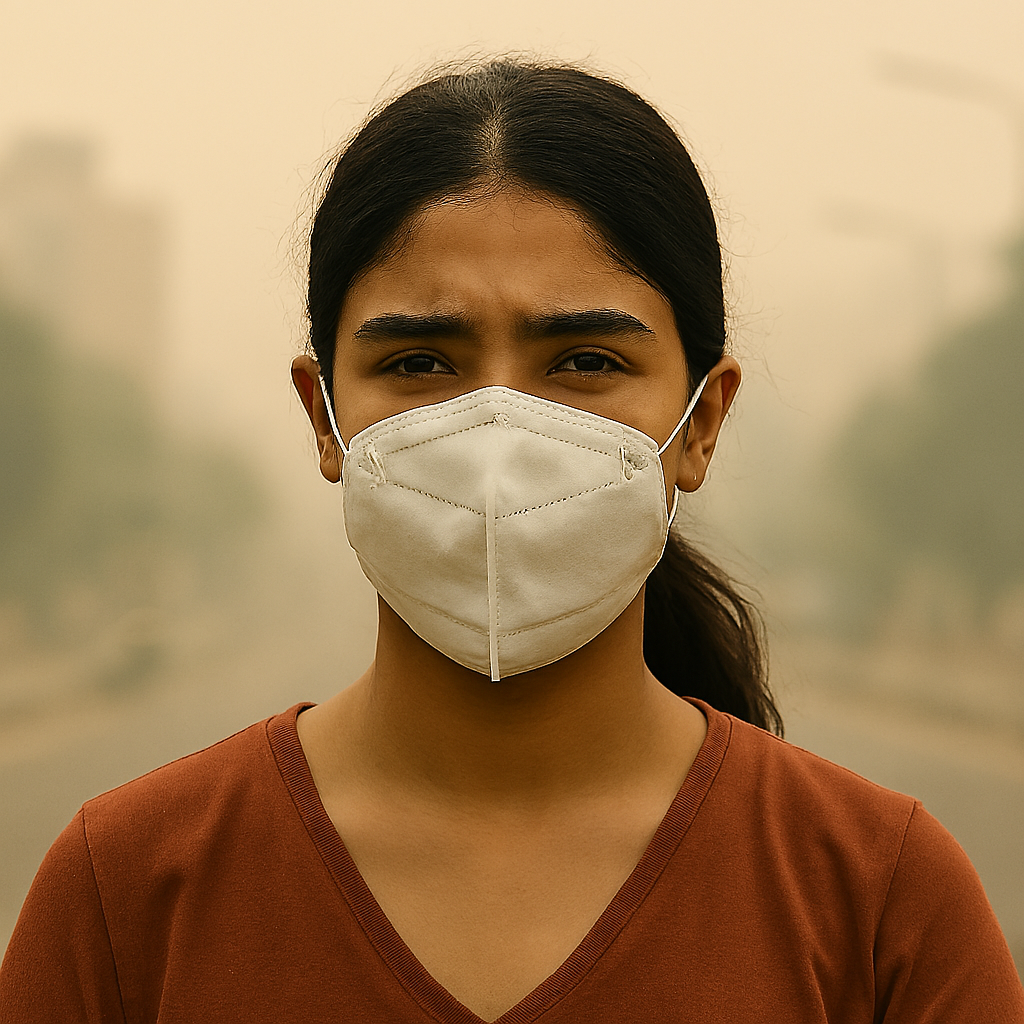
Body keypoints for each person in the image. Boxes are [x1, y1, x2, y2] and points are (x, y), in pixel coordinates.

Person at [1, 59, 1021, 1023]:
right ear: (324, 418)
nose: (499, 434)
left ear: (700, 424)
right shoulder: (126, 892)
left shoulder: (881, 900)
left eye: (584, 359)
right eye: (419, 362)